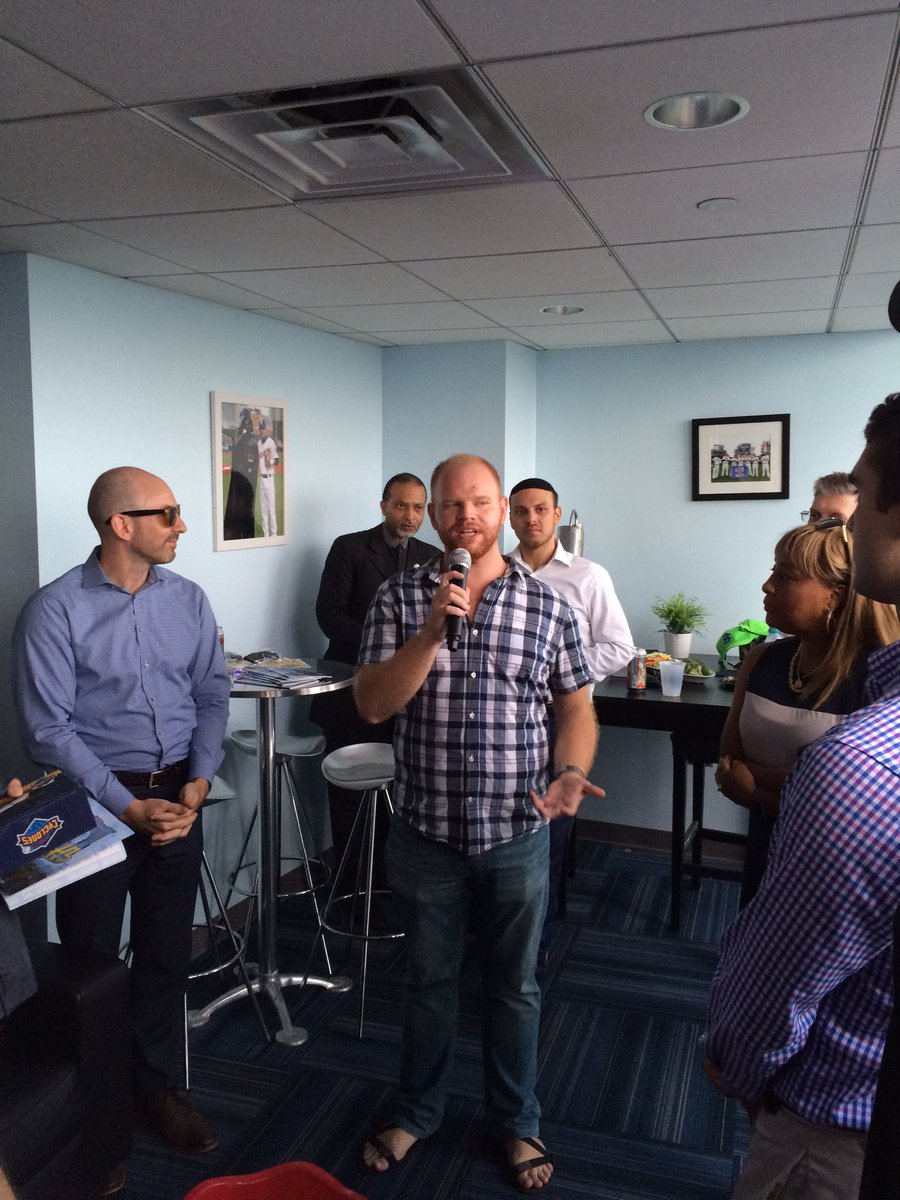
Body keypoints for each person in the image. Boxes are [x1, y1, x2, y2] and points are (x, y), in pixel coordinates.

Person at [354, 453, 602, 1191]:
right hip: (425, 831)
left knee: (514, 986)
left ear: (502, 511)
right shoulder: (398, 600)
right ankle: (418, 1111)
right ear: (432, 517)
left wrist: (569, 773)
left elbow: (576, 710)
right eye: (451, 505)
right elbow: (371, 704)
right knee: (428, 982)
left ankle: (516, 1121)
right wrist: (430, 634)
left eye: (481, 503)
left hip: (517, 833)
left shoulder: (552, 606)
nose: (468, 516)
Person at [703, 392, 900, 1200]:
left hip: (837, 1113)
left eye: (856, 501)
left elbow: (782, 982)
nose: (844, 522)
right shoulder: (768, 659)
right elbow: (732, 762)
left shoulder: (862, 756)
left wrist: (737, 1058)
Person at [12, 467, 230, 1157]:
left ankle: (156, 1090)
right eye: (167, 513)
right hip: (90, 810)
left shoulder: (189, 601)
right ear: (121, 525)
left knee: (168, 954)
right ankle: (89, 1104)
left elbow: (212, 695)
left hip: (180, 801)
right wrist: (128, 806)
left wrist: (198, 781)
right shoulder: (54, 610)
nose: (182, 525)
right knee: (90, 965)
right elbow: (49, 730)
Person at [715, 520, 900, 906]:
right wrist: (785, 785)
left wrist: (760, 792)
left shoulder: (880, 678)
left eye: (785, 576)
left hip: (840, 868)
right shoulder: (762, 659)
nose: (767, 585)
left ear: (834, 595)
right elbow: (731, 761)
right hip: (765, 846)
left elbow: (865, 804)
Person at [508, 477, 634, 954]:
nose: (531, 519)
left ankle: (534, 950)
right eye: (521, 511)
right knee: (505, 833)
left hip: (562, 718)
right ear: (510, 516)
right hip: (507, 720)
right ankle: (496, 942)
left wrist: (563, 676)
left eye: (540, 509)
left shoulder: (588, 576)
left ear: (557, 515)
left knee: (548, 837)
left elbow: (620, 648)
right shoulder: (499, 573)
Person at [311, 473, 440, 879]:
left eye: (418, 507)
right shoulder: (349, 548)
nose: (409, 515)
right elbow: (328, 616)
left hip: (407, 695)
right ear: (383, 505)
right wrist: (387, 651)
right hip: (351, 687)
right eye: (401, 505)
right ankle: (351, 889)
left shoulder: (434, 556)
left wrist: (405, 659)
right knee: (350, 800)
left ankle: (390, 887)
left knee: (400, 797)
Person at [224, 406, 258, 539]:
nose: (248, 425)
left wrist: (252, 466)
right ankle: (235, 530)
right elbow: (237, 444)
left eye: (250, 423)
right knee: (237, 503)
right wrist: (243, 432)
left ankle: (247, 530)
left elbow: (255, 455)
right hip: (239, 474)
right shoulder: (238, 434)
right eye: (246, 422)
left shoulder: (253, 439)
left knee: (248, 504)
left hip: (250, 475)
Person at [256, 417, 279, 538]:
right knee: (263, 510)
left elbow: (277, 461)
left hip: (270, 479)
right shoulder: (258, 443)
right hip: (261, 478)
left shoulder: (271, 442)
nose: (262, 431)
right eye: (260, 429)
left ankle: (274, 534)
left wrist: (268, 460)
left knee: (271, 509)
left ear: (267, 429)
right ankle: (266, 534)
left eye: (263, 428)